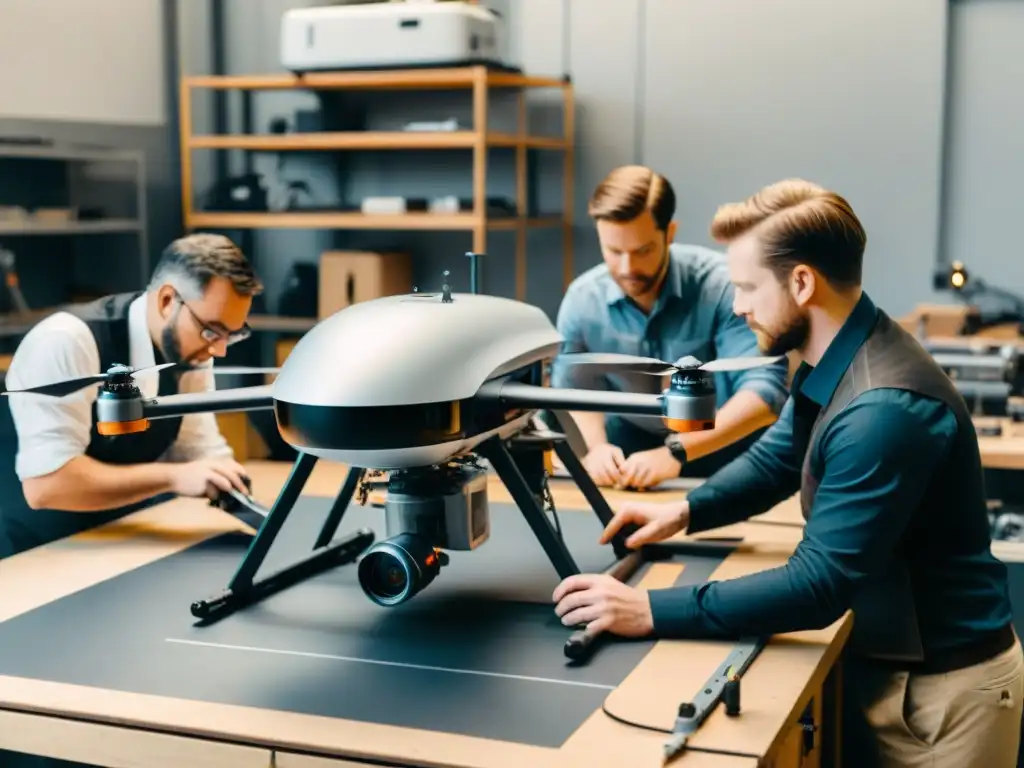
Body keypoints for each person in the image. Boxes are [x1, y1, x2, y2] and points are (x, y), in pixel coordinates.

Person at [551, 178, 1024, 766]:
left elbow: (819, 584)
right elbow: (779, 459)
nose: (738, 305)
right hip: (890, 665)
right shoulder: (841, 356)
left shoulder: (882, 407)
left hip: (942, 699)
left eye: (747, 287)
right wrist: (682, 511)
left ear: (802, 283)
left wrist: (648, 610)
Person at [0, 233, 262, 559]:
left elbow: (197, 452)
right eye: (212, 330)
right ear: (167, 301)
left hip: (121, 539)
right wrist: (173, 477)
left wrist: (244, 499)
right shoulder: (67, 341)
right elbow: (47, 486)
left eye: (232, 334)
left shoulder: (192, 351)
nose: (220, 350)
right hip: (36, 554)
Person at [549, 165, 789, 490]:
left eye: (642, 250)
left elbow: (765, 392)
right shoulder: (582, 300)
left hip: (721, 443)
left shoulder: (722, 287)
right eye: (613, 251)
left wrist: (676, 453)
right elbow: (572, 389)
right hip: (626, 449)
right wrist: (596, 448)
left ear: (670, 233)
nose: (627, 267)